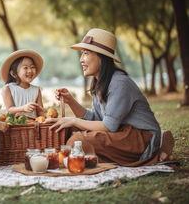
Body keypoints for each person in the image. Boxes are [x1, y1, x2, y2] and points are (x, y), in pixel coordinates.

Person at [47, 28, 175, 167]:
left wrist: (73, 121)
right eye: (81, 54)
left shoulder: (119, 83)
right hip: (120, 131)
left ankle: (155, 149)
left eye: (86, 53)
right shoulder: (99, 82)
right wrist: (70, 101)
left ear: (101, 57)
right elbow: (96, 118)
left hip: (140, 137)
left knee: (76, 140)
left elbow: (108, 126)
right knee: (68, 131)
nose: (81, 59)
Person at [0, 50, 46, 119]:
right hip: (12, 126)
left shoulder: (37, 90)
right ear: (13, 74)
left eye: (32, 67)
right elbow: (9, 109)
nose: (30, 70)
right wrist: (23, 108)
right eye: (25, 68)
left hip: (32, 126)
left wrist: (48, 115)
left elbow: (40, 112)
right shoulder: (8, 88)